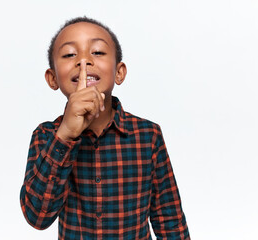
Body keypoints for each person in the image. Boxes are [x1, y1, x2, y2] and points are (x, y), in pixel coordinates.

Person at [20, 16, 190, 240]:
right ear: (52, 78)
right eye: (70, 54)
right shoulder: (46, 136)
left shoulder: (148, 136)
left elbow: (169, 219)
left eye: (97, 52)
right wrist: (66, 135)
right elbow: (37, 217)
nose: (84, 61)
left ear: (119, 72)